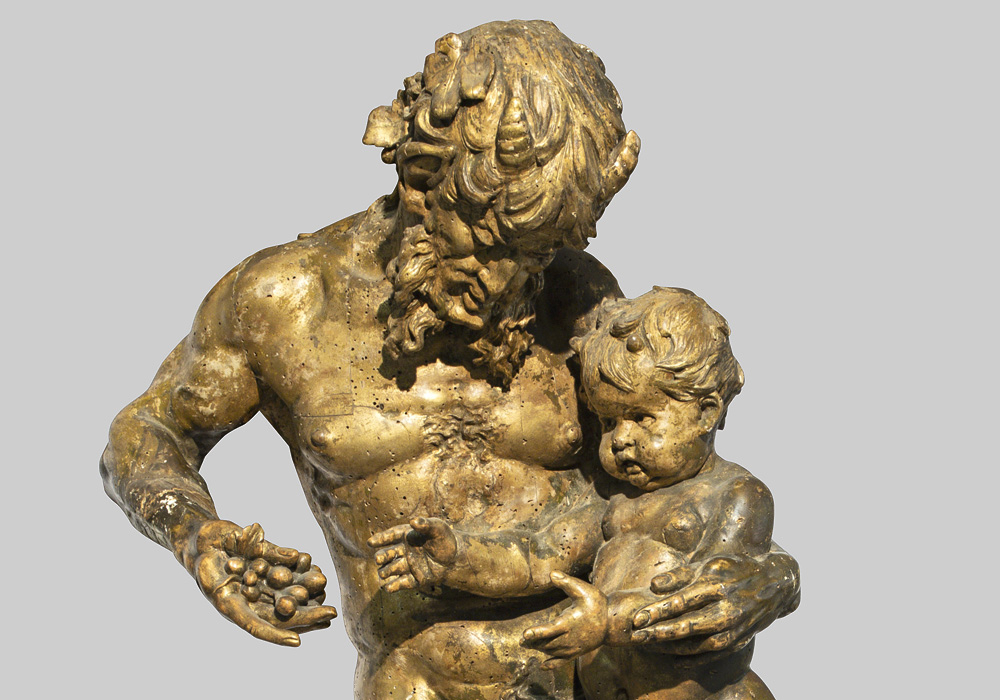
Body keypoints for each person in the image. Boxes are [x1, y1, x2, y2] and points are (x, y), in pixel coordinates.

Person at [101, 20, 799, 700]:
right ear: (421, 182)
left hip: (598, 674)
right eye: (492, 244)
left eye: (538, 252)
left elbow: (679, 468)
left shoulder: (573, 292)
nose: (512, 279)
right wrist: (192, 531)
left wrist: (770, 578)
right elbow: (149, 431)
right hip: (423, 680)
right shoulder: (285, 302)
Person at [371, 288, 785, 699]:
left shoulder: (738, 497)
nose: (620, 439)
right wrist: (459, 557)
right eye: (608, 422)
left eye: (642, 418)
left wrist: (608, 622)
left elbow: (706, 600)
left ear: (706, 412)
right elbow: (539, 555)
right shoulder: (614, 501)